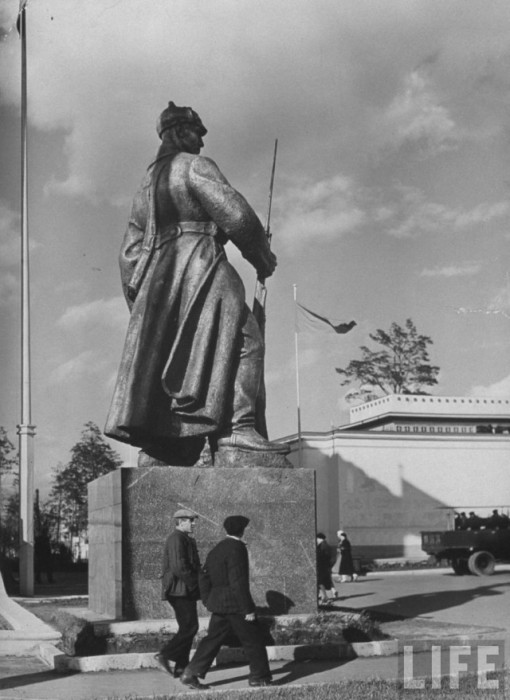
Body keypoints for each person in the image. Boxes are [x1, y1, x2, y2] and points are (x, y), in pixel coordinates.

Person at [105, 101, 288, 464]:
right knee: (244, 339)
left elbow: (128, 253)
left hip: (158, 282)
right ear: (177, 131)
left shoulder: (145, 184)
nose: (202, 142)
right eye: (197, 133)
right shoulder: (194, 167)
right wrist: (262, 256)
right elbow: (235, 213)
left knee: (181, 357)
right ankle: (238, 431)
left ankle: (168, 445)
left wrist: (145, 307)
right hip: (200, 263)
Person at [180, 515, 272, 690]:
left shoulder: (218, 548)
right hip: (236, 605)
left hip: (219, 604)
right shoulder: (237, 548)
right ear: (242, 530)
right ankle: (259, 677)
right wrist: (248, 609)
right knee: (254, 640)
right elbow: (238, 581)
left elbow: (203, 575)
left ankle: (190, 673)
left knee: (212, 639)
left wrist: (208, 599)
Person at [155, 508, 201, 679]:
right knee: (191, 627)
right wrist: (195, 585)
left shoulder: (185, 539)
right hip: (179, 590)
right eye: (191, 521)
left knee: (187, 627)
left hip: (183, 589)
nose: (193, 524)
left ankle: (181, 668)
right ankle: (164, 655)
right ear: (181, 522)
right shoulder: (176, 539)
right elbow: (179, 567)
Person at [316, 533, 338, 605]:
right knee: (322, 582)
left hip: (322, 567)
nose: (316, 540)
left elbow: (322, 557)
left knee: (320, 581)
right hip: (325, 567)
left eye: (317, 539)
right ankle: (324, 596)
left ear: (319, 538)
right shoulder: (325, 545)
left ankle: (325, 597)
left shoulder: (323, 546)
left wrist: (328, 566)